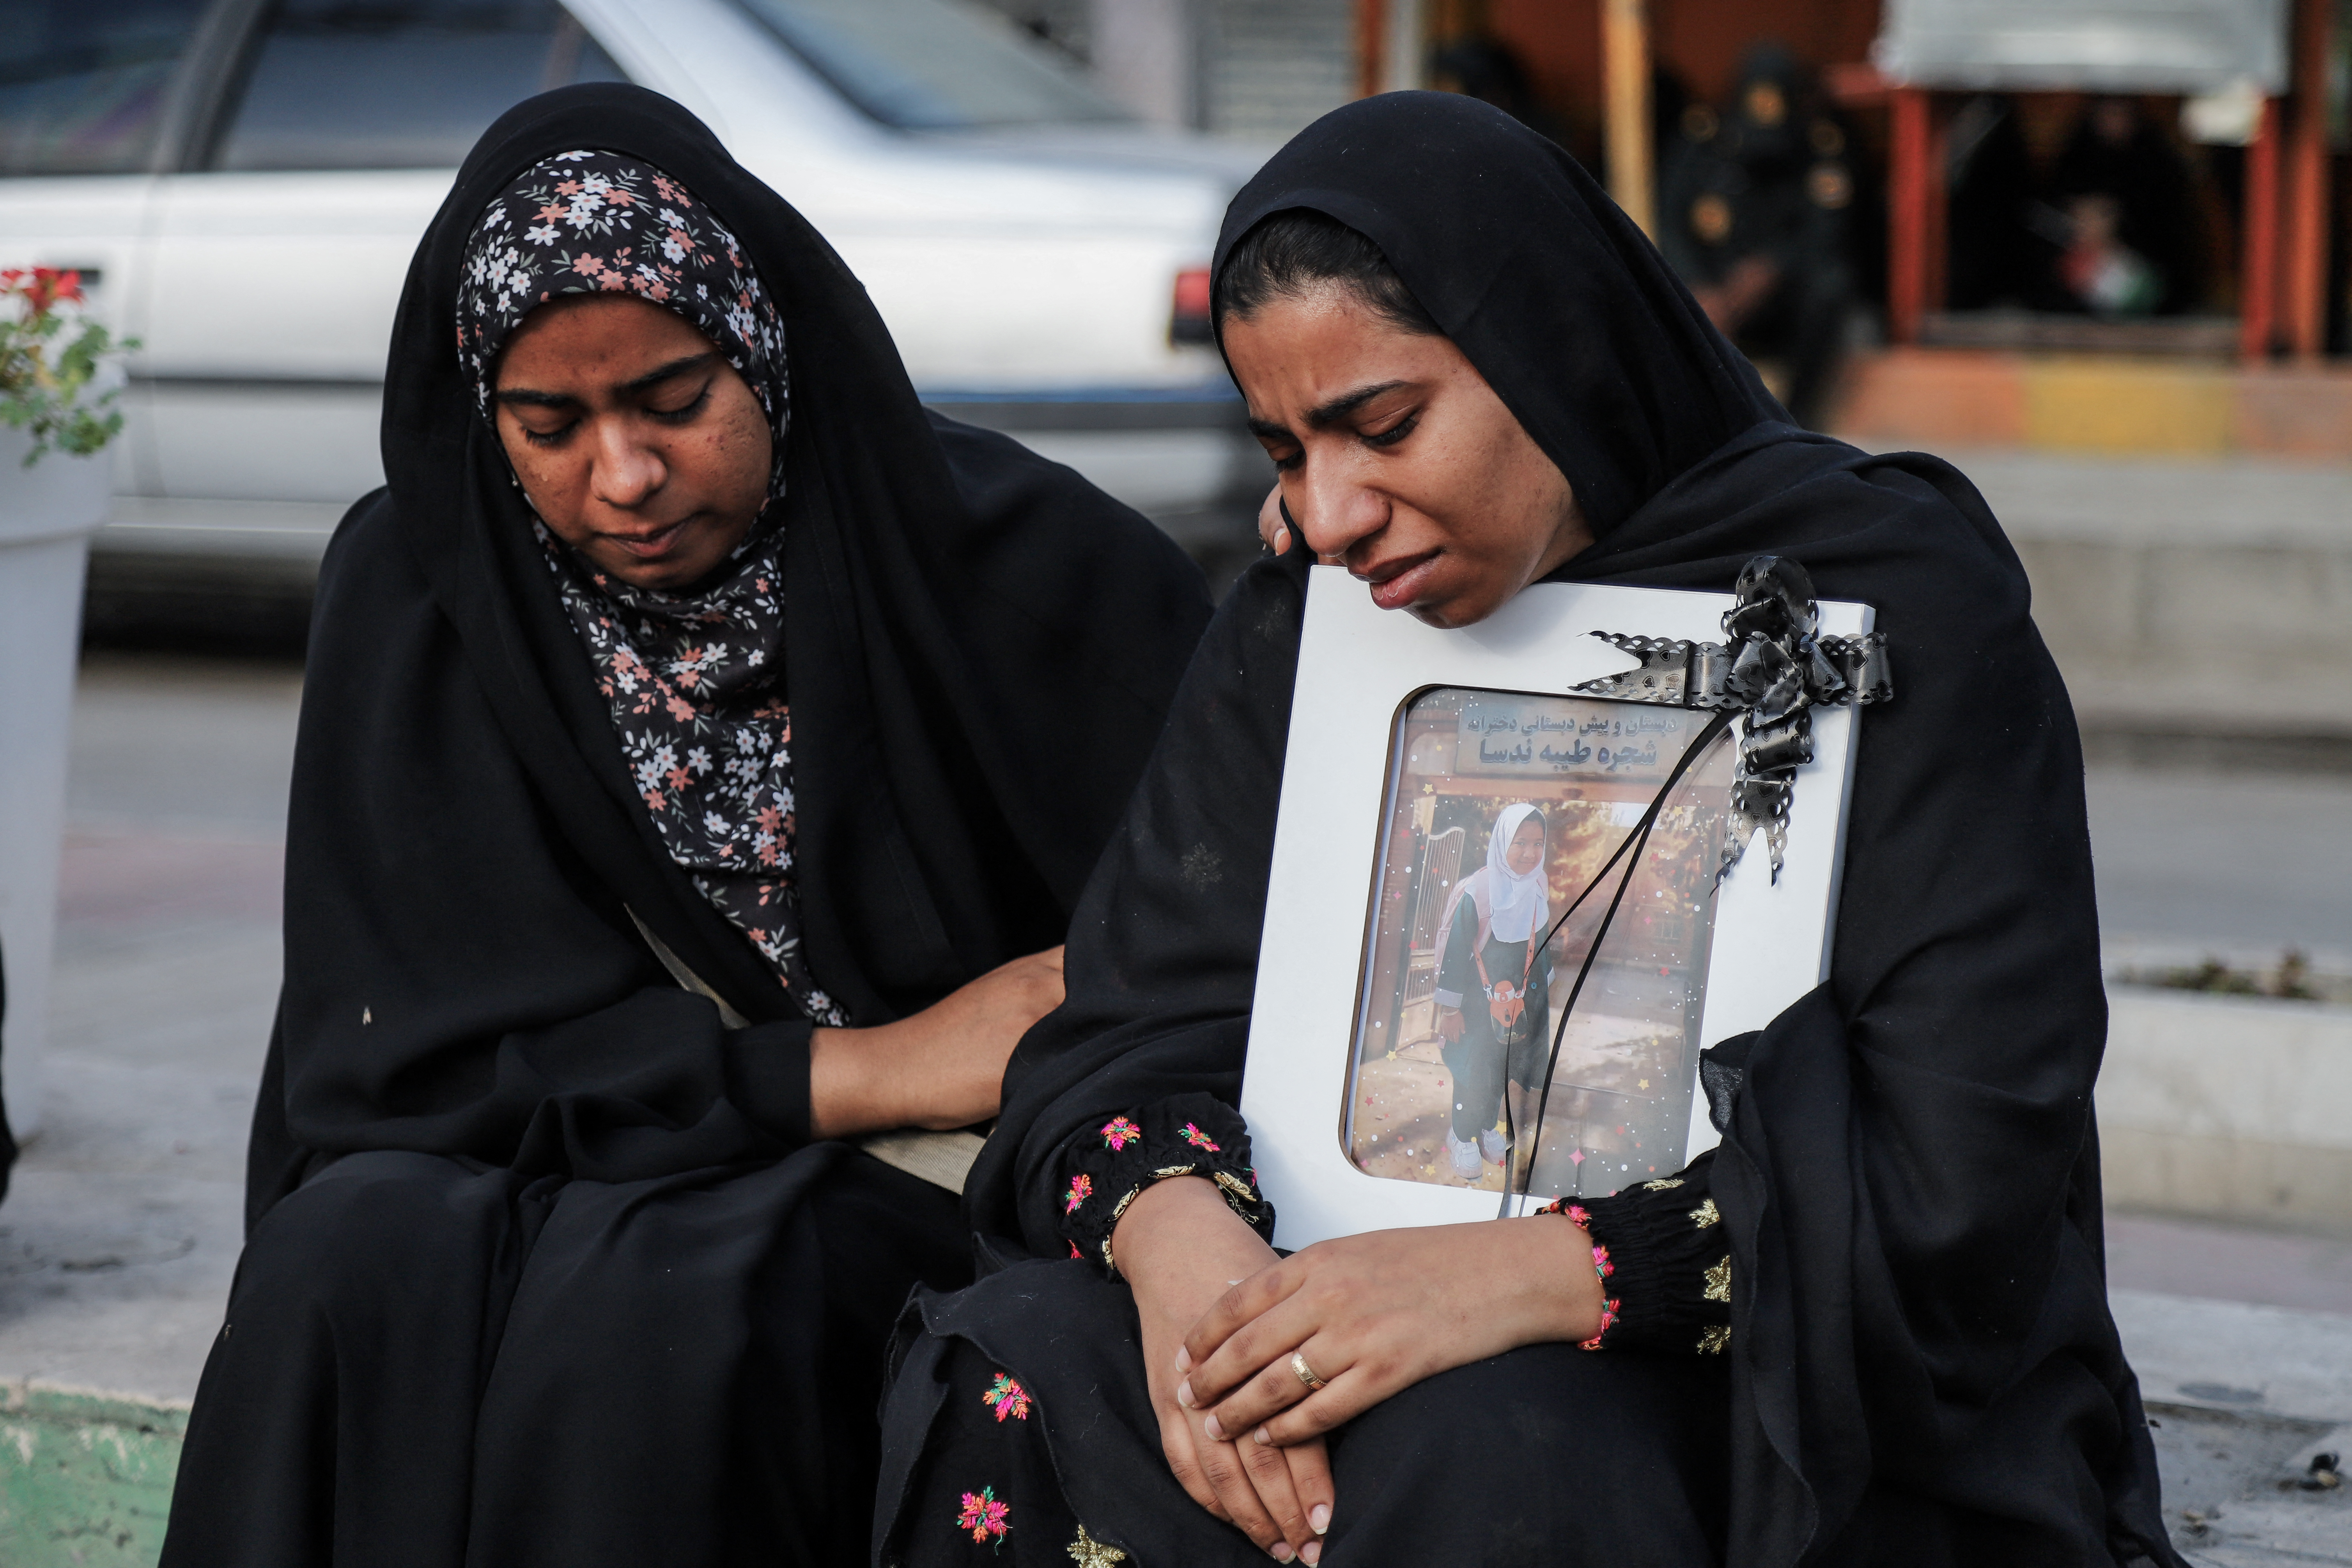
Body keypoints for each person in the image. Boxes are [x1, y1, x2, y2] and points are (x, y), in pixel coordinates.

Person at [874, 92, 2183, 1568]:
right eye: (1285, 448)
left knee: (1499, 1436)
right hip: (1323, 1293)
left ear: (1549, 350)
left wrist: (1507, 1279)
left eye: (1382, 424)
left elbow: (1960, 1166)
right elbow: (1128, 1025)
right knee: (1027, 1348)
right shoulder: (1310, 623)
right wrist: (1189, 1254)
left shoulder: (1881, 611)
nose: (1331, 509)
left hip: (1756, 1368)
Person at [158, 84, 1212, 1568]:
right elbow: (400, 1055)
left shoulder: (1034, 573)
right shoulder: (420, 590)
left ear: (767, 350)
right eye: (550, 424)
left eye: (672, 401)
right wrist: (863, 1063)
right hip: (567, 1132)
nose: (626, 479)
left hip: (919, 1181)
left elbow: (1185, 969)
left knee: (678, 1294)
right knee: (338, 1264)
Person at [1656, 43, 1859, 430]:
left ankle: (1798, 423)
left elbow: (1828, 232)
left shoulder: (1817, 150)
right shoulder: (1704, 144)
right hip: (1713, 292)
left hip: (1781, 300)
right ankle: (1695, 422)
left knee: (1832, 285)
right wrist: (1698, 285)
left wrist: (1773, 268)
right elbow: (1670, 222)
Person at [1432, 802, 1551, 1180]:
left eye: (1537, 843)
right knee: (1473, 1070)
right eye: (1520, 843)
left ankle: (1486, 1127)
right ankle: (1462, 1134)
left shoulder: (1538, 884)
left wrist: (1541, 997)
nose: (1530, 853)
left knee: (1502, 1068)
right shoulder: (1480, 889)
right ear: (1502, 842)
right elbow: (1455, 951)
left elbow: (1541, 941)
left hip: (1515, 1004)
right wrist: (1450, 1011)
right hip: (1474, 1003)